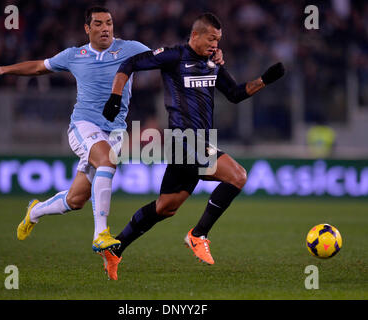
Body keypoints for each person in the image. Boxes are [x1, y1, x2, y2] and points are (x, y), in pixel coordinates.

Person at [101, 12, 285, 280]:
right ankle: (198, 235)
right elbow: (130, 63)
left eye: (218, 40)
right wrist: (115, 97)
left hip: (198, 143)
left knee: (166, 207)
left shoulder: (213, 63)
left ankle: (115, 248)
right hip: (183, 140)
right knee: (237, 176)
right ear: (195, 35)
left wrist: (264, 80)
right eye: (211, 38)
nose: (215, 44)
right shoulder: (174, 56)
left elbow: (234, 94)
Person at [0, 6, 152, 252]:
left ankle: (35, 211)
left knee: (76, 200)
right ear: (87, 28)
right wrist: (5, 69)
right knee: (107, 161)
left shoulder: (131, 49)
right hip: (84, 125)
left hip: (113, 132)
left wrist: (205, 57)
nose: (105, 29)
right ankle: (100, 233)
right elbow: (39, 67)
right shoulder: (74, 55)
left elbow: (166, 58)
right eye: (99, 24)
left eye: (109, 23)